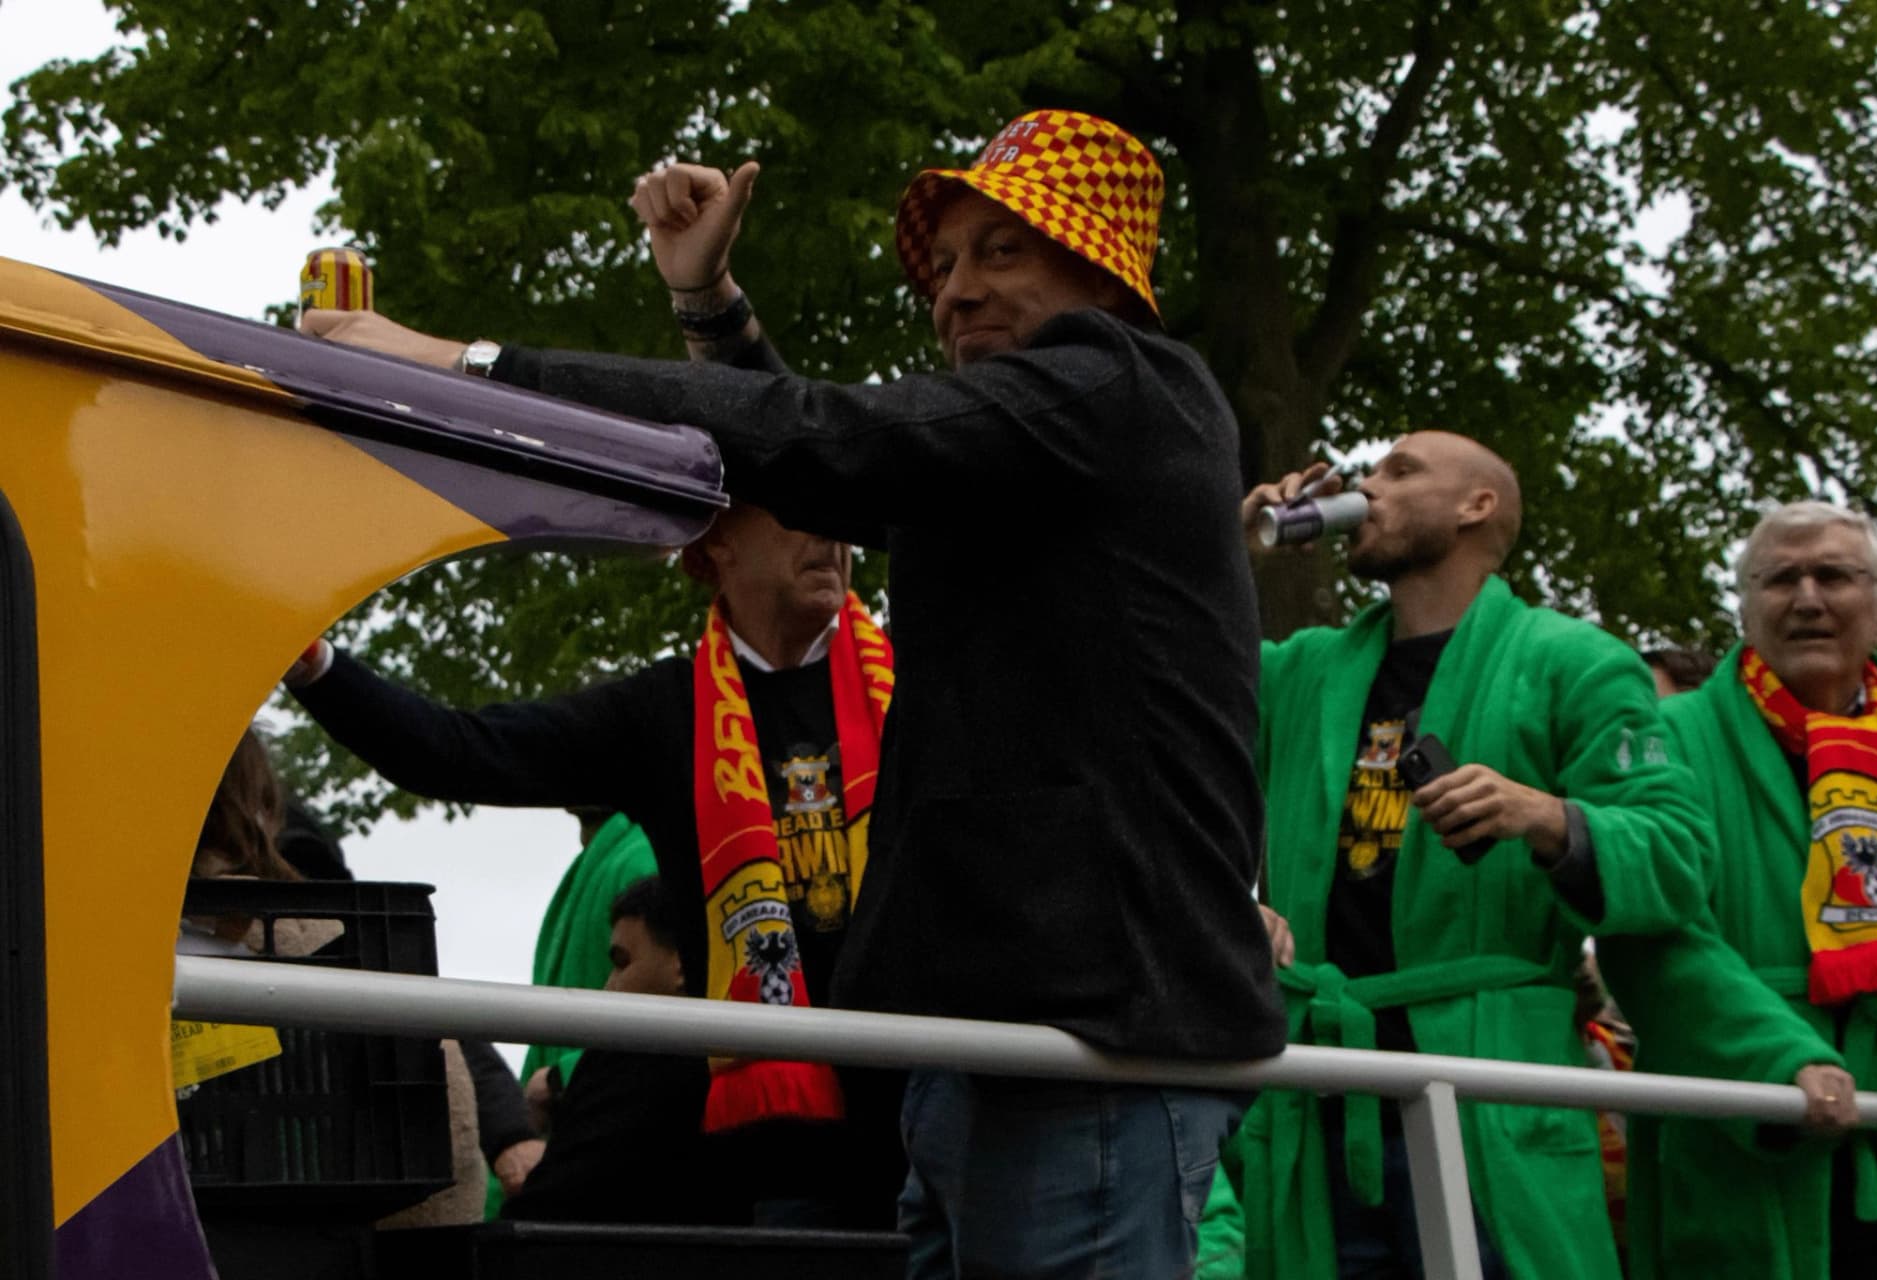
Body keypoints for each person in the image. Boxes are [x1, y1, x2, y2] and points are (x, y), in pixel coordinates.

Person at [303, 107, 1284, 1277]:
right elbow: (823, 457)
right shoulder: (1023, 468)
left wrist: (456, 365)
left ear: (1106, 272)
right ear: (709, 559)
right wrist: (709, 309)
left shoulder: (1119, 388)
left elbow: (833, 440)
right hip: (969, 1053)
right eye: (947, 261)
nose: (956, 290)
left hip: (1088, 1051)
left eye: (1001, 250)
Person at [283, 503, 902, 1227]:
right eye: (798, 508)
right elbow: (461, 750)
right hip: (765, 1153)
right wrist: (315, 664)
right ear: (718, 544)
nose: (831, 529)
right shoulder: (665, 712)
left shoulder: (917, 691)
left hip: (927, 1120)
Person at [1203, 433, 1723, 1280]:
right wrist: (1217, 545)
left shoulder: (1574, 662)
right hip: (1324, 1089)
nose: (1367, 486)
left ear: (1476, 506)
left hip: (1490, 1093)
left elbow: (1679, 858)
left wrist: (1547, 816)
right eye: (1370, 472)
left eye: (1400, 471)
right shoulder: (1304, 671)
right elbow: (1147, 678)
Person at [1598, 501, 1877, 1278]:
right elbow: (1650, 934)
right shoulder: (1671, 742)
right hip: (1747, 1130)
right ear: (1745, 609)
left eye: (1832, 575)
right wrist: (1778, 1060)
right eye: (1779, 580)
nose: (1806, 597)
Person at [505, 875, 743, 1225]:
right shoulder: (747, 1058)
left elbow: (556, 1201)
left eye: (621, 962)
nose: (608, 986)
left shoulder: (630, 1063)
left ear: (680, 964)